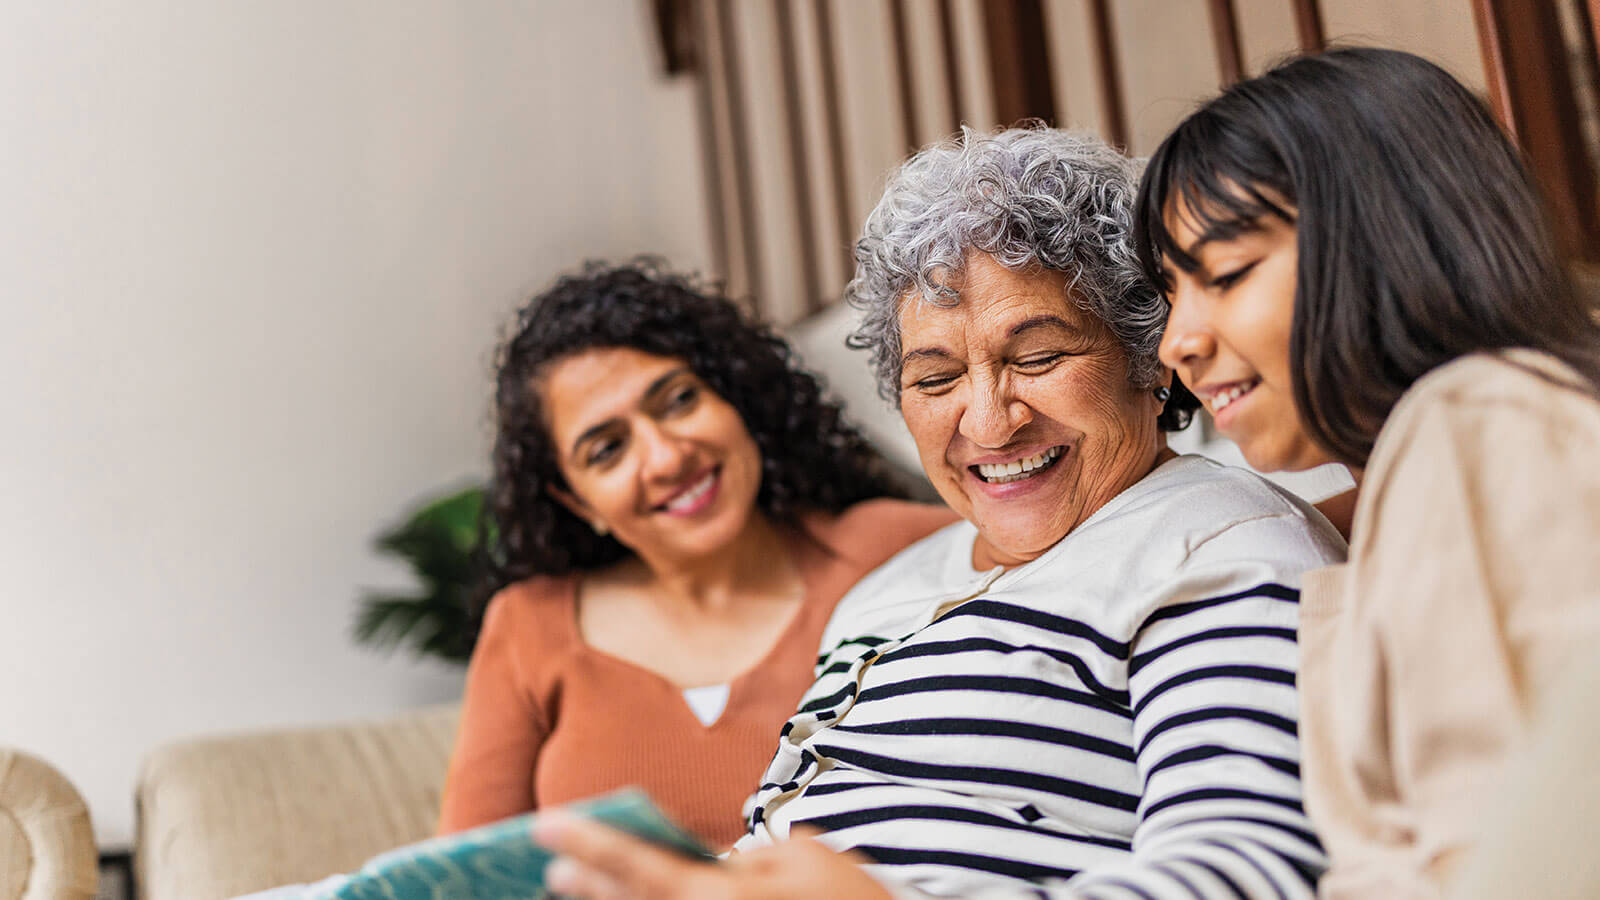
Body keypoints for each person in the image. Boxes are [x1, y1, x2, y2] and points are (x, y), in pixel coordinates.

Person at [535, 128, 1346, 898]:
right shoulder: (889, 591)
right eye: (934, 379)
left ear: (1149, 360)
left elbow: (1250, 872)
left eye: (1038, 357)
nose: (990, 422)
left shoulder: (1216, 543)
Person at [1134, 48, 1600, 897]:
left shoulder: (1473, 424)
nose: (1178, 345)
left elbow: (1504, 858)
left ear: (1388, 240)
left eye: (1227, 274)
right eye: (1171, 294)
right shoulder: (1432, 470)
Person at [438, 261, 955, 849]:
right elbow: (458, 881)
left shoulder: (895, 550)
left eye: (679, 400)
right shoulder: (528, 625)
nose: (664, 457)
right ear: (578, 502)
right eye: (607, 450)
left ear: (734, 395)